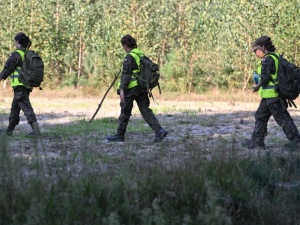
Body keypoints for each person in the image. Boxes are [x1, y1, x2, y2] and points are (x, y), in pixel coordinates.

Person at [106, 34, 168, 142]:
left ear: (125, 45)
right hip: (142, 87)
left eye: (123, 46)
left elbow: (126, 75)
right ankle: (159, 131)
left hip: (131, 89)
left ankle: (120, 135)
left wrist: (122, 90)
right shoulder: (140, 54)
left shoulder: (129, 57)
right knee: (145, 111)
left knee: (125, 111)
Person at [248, 35, 299, 150]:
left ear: (262, 47)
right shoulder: (275, 57)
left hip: (273, 96)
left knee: (283, 120)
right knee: (260, 117)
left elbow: (265, 78)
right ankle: (257, 143)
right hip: (269, 96)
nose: (255, 53)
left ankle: (296, 143)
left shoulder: (267, 59)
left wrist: (257, 86)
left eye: (256, 50)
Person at [0, 32, 41, 136]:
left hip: (20, 86)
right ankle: (9, 131)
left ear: (17, 41)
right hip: (25, 86)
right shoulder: (26, 54)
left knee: (26, 108)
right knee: (15, 109)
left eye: (15, 41)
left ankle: (36, 131)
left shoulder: (17, 54)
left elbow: (7, 69)